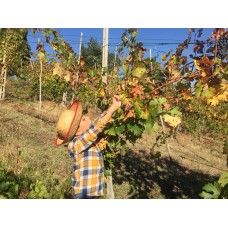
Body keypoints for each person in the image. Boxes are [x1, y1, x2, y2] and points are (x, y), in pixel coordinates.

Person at [55, 95, 121, 199]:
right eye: (83, 119)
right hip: (84, 193)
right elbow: (95, 129)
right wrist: (111, 110)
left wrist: (114, 106)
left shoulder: (86, 140)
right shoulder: (75, 144)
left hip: (93, 191)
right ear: (78, 131)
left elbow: (97, 123)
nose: (86, 116)